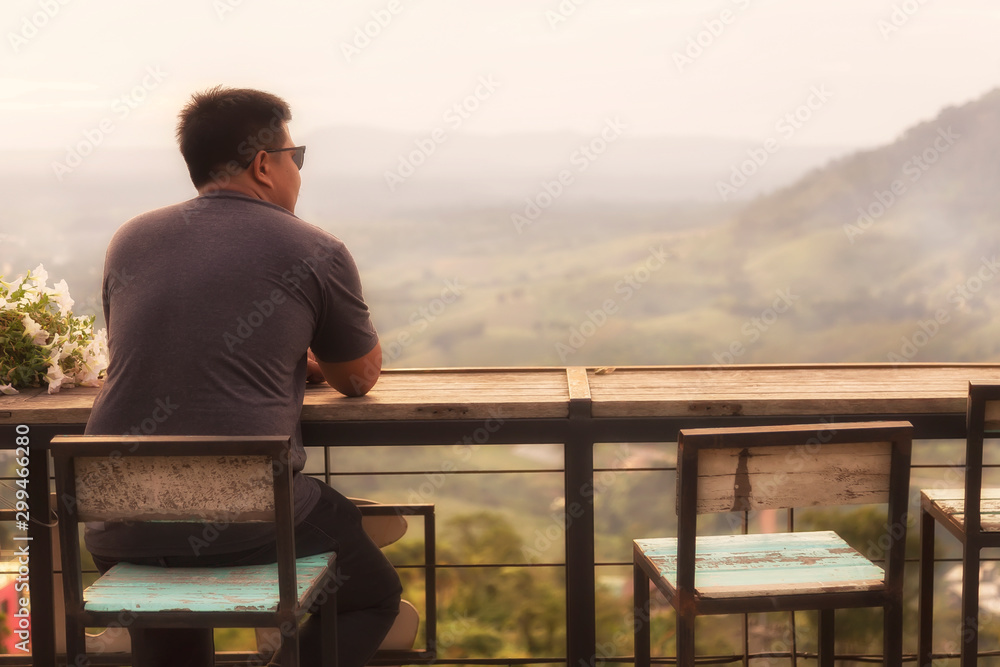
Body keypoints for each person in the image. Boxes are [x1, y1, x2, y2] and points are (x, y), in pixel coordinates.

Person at [83, 86, 401, 666]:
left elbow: (156, 352)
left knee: (169, 621)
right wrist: (302, 361)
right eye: (294, 156)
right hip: (245, 522)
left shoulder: (128, 240)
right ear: (263, 164)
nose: (298, 173)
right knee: (370, 598)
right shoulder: (314, 248)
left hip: (115, 518)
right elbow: (357, 377)